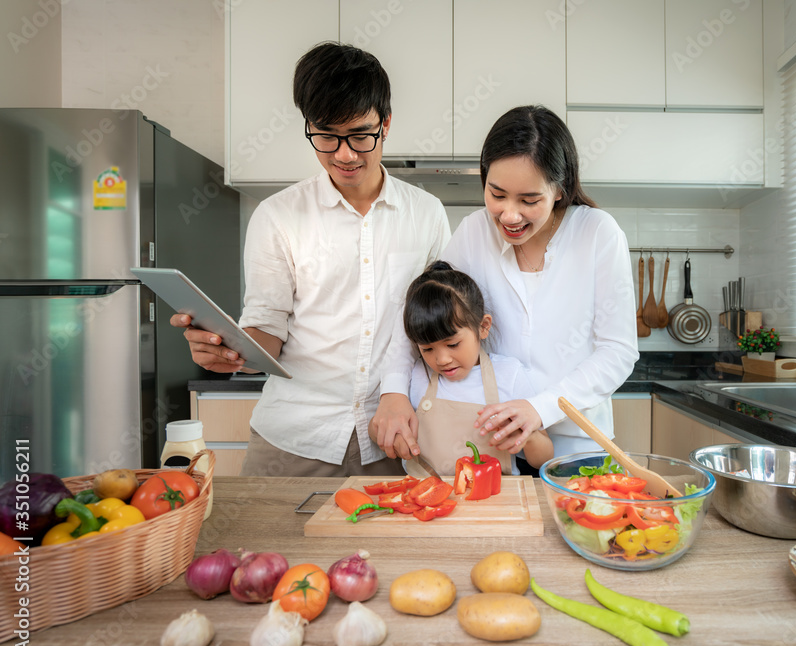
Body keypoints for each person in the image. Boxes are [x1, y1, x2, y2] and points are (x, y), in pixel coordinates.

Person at [171, 42, 451, 477]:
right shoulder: (278, 216)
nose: (344, 154)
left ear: (386, 123)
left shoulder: (427, 214)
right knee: (257, 548)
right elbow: (267, 325)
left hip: (396, 438)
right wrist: (231, 349)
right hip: (294, 439)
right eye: (325, 135)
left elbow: (435, 322)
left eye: (360, 135)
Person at [373, 105, 639, 463]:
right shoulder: (473, 232)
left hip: (579, 445)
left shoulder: (597, 234)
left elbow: (617, 352)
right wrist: (393, 391)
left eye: (529, 200)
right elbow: (422, 309)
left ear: (560, 190)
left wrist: (539, 409)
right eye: (496, 195)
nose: (509, 216)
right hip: (497, 449)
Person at [369, 261, 553, 476]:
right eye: (427, 349)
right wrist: (393, 435)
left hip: (494, 499)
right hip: (428, 499)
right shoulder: (417, 375)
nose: (442, 359)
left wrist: (528, 438)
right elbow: (376, 427)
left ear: (483, 327)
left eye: (452, 344)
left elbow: (545, 458)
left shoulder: (509, 374)